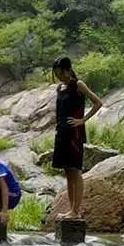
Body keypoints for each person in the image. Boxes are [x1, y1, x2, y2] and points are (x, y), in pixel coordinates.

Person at [51, 56, 103, 219]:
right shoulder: (60, 88)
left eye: (61, 73)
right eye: (56, 74)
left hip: (75, 134)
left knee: (75, 170)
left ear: (68, 70)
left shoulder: (78, 85)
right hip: (62, 133)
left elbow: (97, 102)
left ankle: (76, 211)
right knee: (67, 171)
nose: (59, 76)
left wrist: (83, 120)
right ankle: (71, 210)